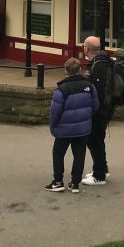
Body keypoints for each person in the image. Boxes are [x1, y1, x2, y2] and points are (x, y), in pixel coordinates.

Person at [46, 57, 98, 193]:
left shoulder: (61, 90)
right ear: (79, 69)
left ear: (65, 71)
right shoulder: (89, 86)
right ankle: (75, 183)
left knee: (58, 153)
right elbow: (95, 106)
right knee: (79, 154)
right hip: (82, 128)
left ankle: (58, 181)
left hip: (64, 129)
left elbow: (55, 112)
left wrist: (53, 126)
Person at [81, 35, 114, 186]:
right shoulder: (103, 60)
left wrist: (92, 110)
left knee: (95, 140)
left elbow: (98, 93)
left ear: (87, 48)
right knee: (97, 140)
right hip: (104, 109)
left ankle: (99, 175)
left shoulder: (99, 65)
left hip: (99, 111)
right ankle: (102, 169)